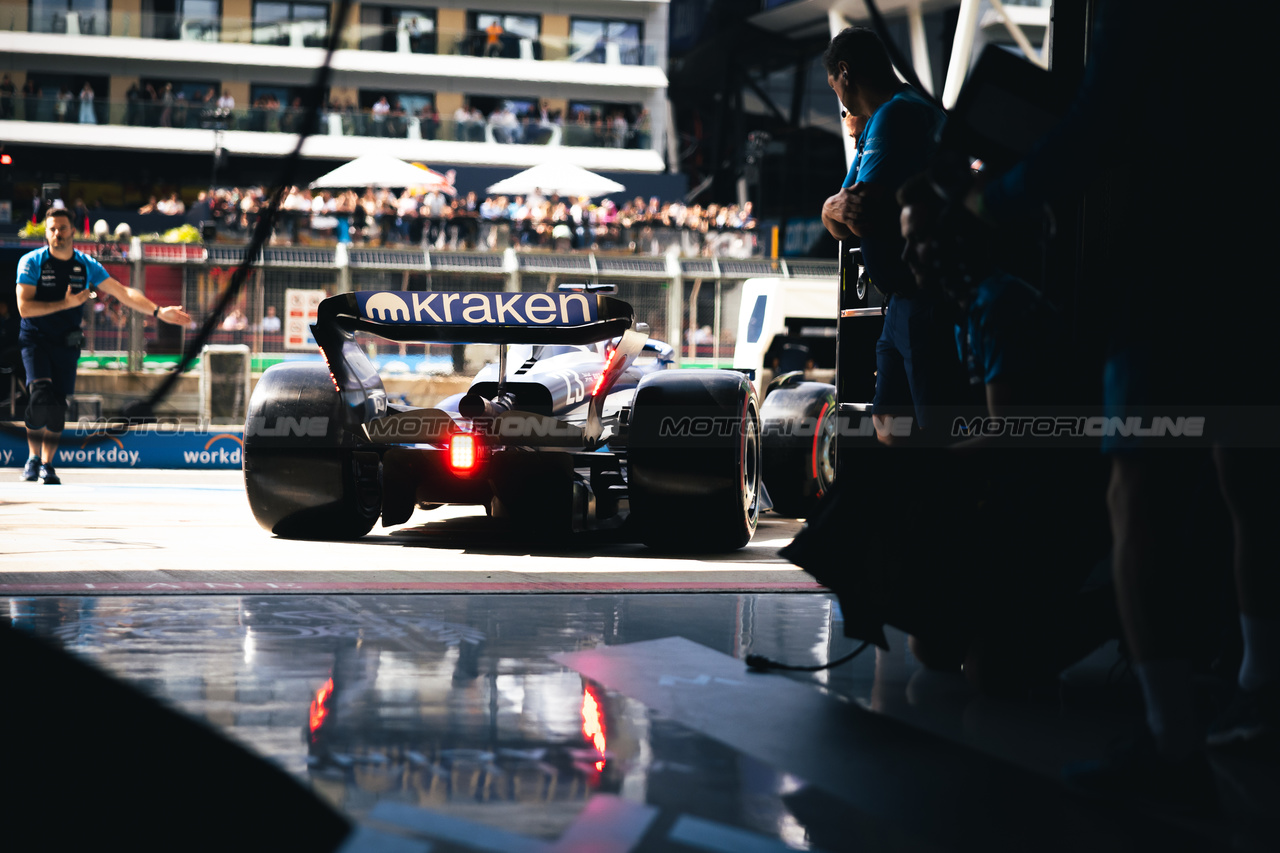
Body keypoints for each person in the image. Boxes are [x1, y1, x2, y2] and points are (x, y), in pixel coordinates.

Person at [820, 27, 967, 445]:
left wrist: (836, 211)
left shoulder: (896, 115)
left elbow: (860, 218)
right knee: (891, 428)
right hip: (901, 302)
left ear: (844, 72)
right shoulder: (890, 115)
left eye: (834, 86)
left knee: (931, 430)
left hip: (924, 300)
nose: (839, 98)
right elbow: (839, 220)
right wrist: (832, 210)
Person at [15, 208, 190, 484]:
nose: (56, 234)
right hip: (36, 339)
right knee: (40, 399)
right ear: (46, 232)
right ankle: (32, 458)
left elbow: (122, 292)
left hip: (67, 342)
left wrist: (158, 311)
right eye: (52, 229)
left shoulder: (85, 265)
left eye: (62, 228)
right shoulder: (31, 262)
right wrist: (67, 303)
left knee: (58, 406)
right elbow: (24, 308)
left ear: (73, 231)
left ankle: (48, 464)